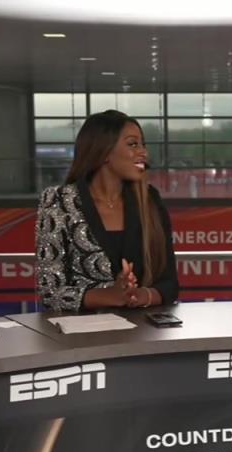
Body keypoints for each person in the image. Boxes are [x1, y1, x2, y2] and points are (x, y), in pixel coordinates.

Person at [36, 109, 178, 312]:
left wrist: (140, 296)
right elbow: (50, 292)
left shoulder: (149, 199)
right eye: (133, 144)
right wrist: (110, 296)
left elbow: (169, 284)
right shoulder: (58, 201)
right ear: (103, 151)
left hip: (141, 328)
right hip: (81, 329)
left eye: (143, 144)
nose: (143, 153)